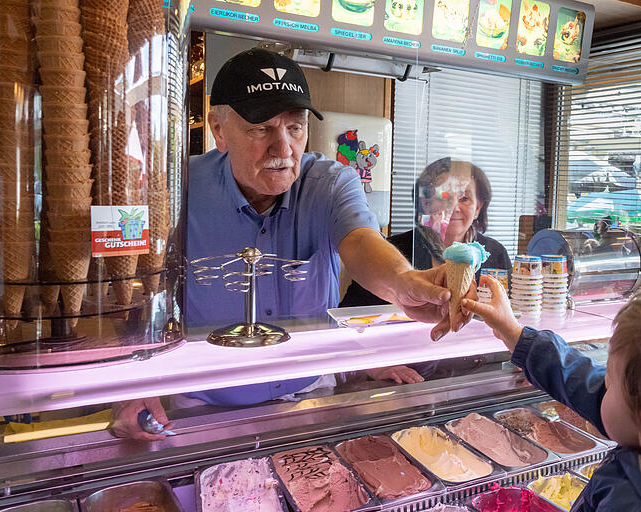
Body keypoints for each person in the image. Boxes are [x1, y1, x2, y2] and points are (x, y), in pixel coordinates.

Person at [111, 48, 469, 440]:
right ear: (217, 128)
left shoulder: (330, 183)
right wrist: (132, 380)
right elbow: (136, 291)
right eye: (260, 129)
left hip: (308, 396)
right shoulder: (178, 188)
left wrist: (402, 283)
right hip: (203, 406)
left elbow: (361, 241)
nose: (283, 150)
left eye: (295, 127)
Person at [463, 278, 641, 511]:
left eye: (611, 380)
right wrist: (515, 334)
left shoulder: (633, 503)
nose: (603, 380)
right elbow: (586, 384)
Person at [341, 157, 511, 308]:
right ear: (425, 205)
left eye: (464, 198)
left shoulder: (496, 254)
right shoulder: (390, 251)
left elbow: (509, 314)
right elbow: (350, 314)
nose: (454, 207)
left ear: (478, 208)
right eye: (444, 196)